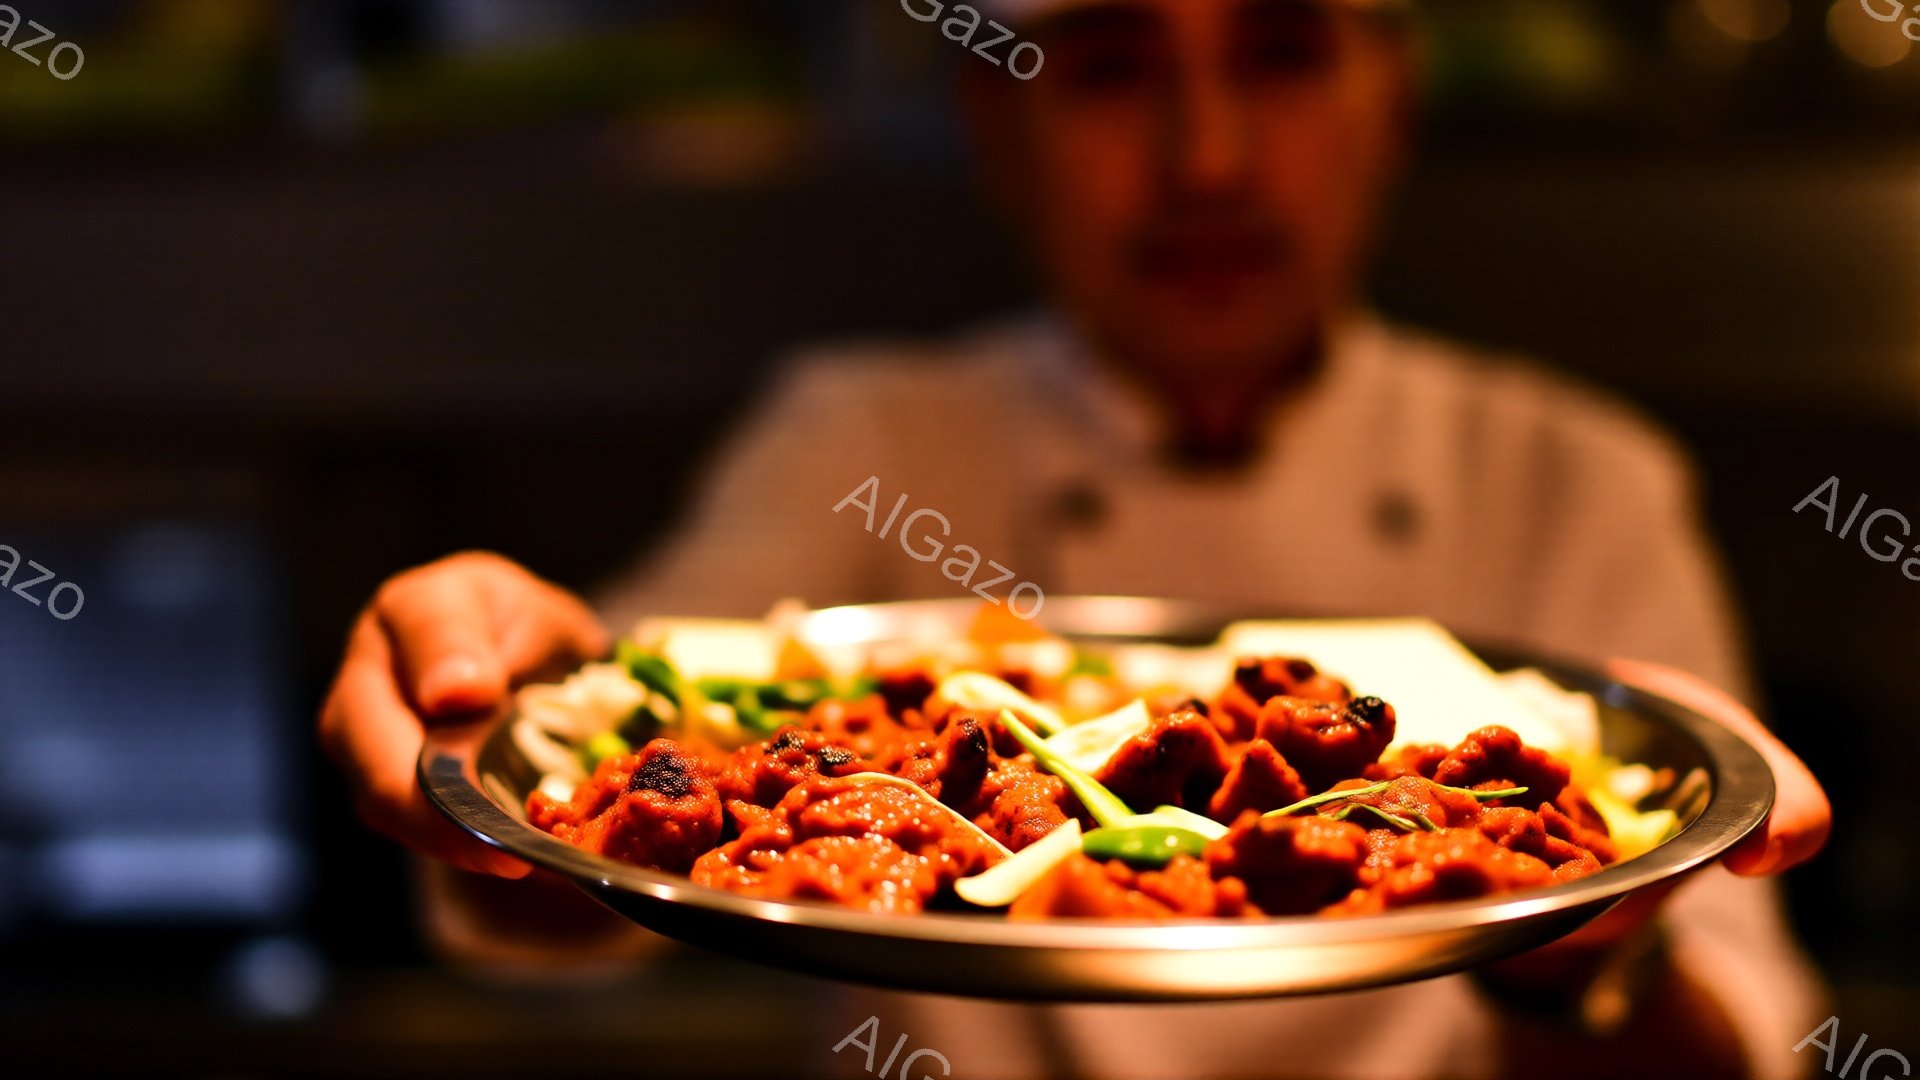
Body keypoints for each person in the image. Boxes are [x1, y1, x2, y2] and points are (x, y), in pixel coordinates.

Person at [318, 0, 1833, 1076]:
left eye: (1285, 51)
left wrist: (1588, 964)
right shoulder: (864, 443)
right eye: (1113, 68)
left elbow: (1740, 1052)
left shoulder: (1578, 483)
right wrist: (479, 722)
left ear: (1391, 97)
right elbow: (585, 867)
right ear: (999, 119)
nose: (1211, 158)